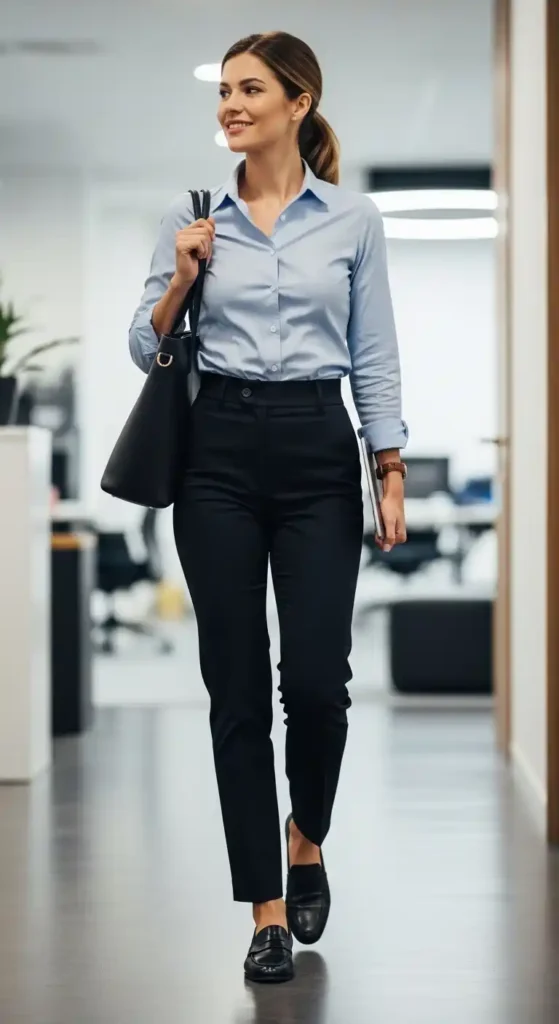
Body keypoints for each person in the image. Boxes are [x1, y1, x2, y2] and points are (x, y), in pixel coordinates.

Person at [129, 30, 408, 984]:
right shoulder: (194, 212)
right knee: (236, 688)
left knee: (319, 683)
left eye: (250, 91)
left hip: (316, 448)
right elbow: (143, 342)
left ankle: (306, 833)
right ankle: (266, 910)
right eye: (224, 93)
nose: (230, 107)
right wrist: (181, 279)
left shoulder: (353, 221)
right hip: (216, 455)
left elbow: (372, 353)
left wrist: (389, 468)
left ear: (297, 103)